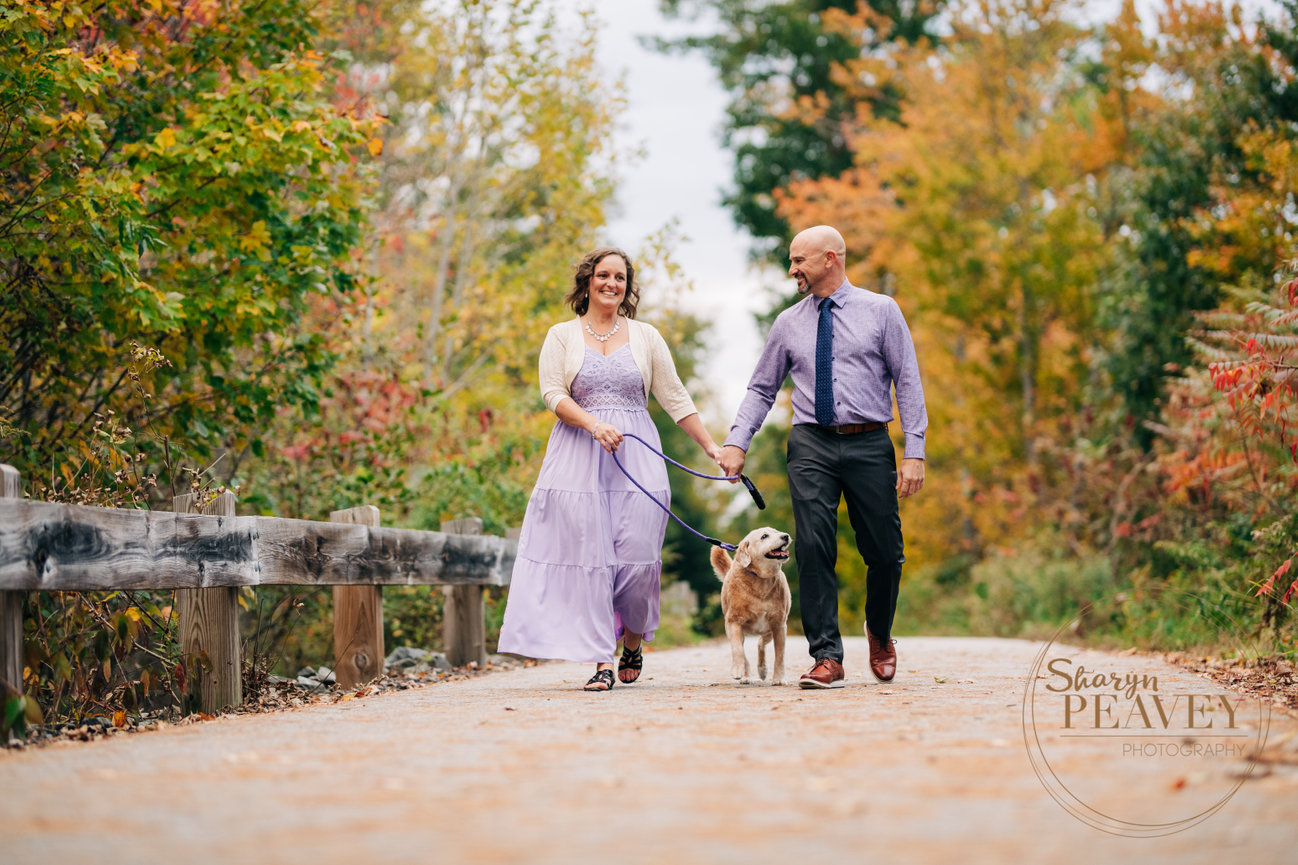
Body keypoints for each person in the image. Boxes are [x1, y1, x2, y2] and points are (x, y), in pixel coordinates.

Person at [498, 247, 722, 691]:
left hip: (637, 456)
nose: (611, 284)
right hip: (578, 456)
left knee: (639, 559)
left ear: (627, 286)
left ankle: (633, 641)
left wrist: (713, 448)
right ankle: (600, 659)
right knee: (591, 560)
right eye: (603, 275)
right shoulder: (561, 335)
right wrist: (593, 423)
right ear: (587, 281)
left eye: (620, 277)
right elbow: (552, 393)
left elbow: (675, 398)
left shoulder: (646, 337)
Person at [718, 225, 928, 689]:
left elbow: (907, 381)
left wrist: (915, 450)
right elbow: (761, 387)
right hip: (811, 441)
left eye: (799, 261)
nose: (792, 269)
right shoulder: (788, 322)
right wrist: (737, 441)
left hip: (870, 440)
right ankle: (826, 656)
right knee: (812, 546)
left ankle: (880, 631)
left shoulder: (882, 311)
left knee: (886, 552)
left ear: (830, 258)